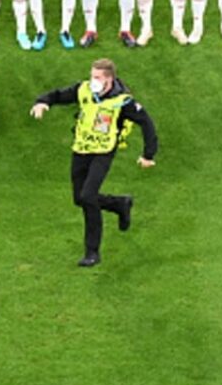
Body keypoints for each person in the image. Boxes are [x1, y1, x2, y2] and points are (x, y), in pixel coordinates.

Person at [30, 58, 158, 267]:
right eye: (92, 76)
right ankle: (119, 204)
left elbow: (147, 123)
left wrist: (148, 154)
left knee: (88, 196)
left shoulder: (122, 102)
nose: (93, 81)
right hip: (81, 149)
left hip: (103, 152)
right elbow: (59, 95)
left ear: (109, 79)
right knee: (79, 198)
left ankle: (92, 252)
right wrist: (42, 101)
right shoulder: (84, 90)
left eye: (97, 77)